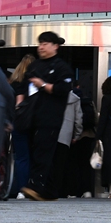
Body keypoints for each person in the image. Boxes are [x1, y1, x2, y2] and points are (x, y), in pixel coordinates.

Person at [19, 31, 74, 201]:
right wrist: (19, 105)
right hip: (30, 116)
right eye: (40, 43)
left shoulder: (61, 67)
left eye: (45, 43)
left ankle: (36, 187)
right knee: (34, 151)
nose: (41, 47)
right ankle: (49, 191)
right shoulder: (34, 66)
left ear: (55, 46)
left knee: (44, 152)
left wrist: (42, 84)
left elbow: (63, 89)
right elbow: (22, 87)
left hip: (50, 117)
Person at [8, 55, 35, 199]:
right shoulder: (32, 84)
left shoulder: (14, 83)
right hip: (31, 122)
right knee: (32, 156)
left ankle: (18, 188)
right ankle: (29, 188)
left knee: (20, 157)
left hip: (17, 123)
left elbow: (16, 104)